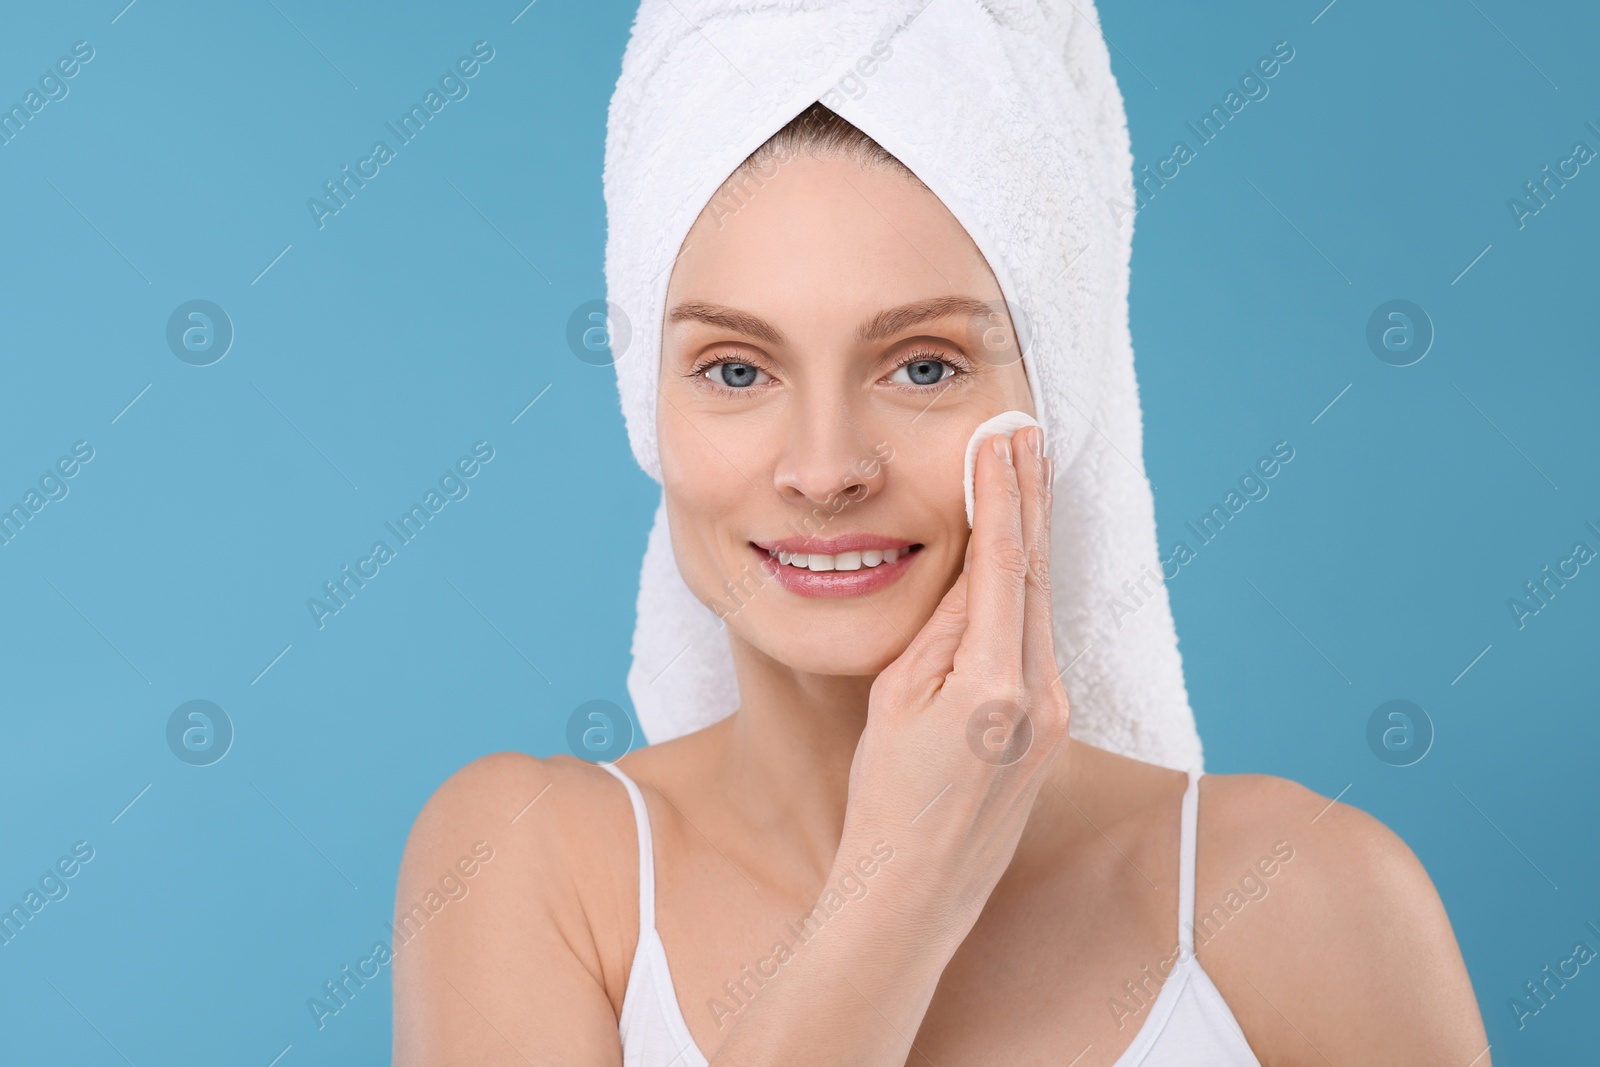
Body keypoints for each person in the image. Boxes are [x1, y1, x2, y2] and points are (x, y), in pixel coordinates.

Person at [391, 98, 1490, 1064]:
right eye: (735, 368)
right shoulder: (532, 862)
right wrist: (900, 881)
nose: (823, 469)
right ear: (651, 413)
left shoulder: (1307, 895)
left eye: (924, 365)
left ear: (1055, 407)